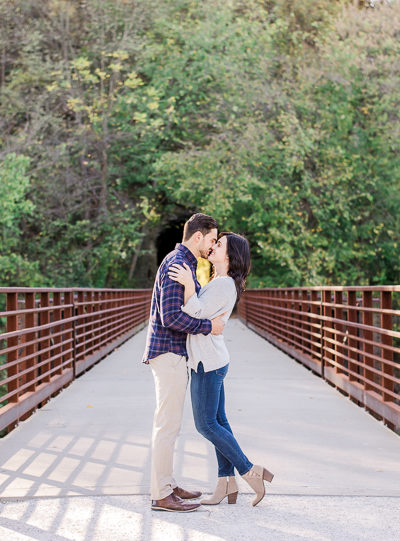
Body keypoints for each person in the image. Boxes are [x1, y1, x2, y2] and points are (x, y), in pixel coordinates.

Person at [168, 232, 274, 507]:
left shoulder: (225, 285)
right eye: (214, 242)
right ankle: (225, 484)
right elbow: (203, 312)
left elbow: (197, 313)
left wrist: (189, 286)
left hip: (208, 363)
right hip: (212, 360)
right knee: (220, 422)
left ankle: (250, 470)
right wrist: (195, 286)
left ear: (230, 255)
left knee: (206, 424)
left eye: (220, 244)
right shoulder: (219, 281)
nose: (213, 246)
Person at [142, 213, 227, 513]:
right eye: (212, 239)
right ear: (197, 237)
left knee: (170, 424)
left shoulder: (187, 264)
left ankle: (167, 484)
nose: (213, 245)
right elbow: (171, 317)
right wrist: (209, 327)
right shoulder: (179, 264)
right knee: (167, 425)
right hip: (168, 353)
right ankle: (161, 494)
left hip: (173, 353)